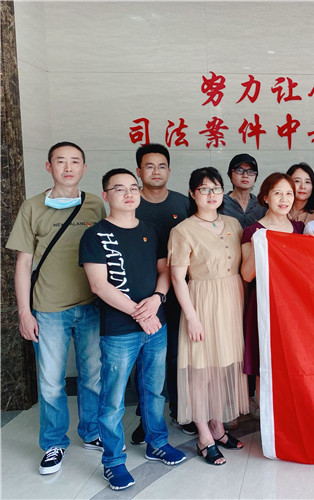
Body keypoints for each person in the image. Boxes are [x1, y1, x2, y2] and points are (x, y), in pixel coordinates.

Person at [79, 169, 186, 490]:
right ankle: (113, 462)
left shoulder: (152, 230)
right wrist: (140, 314)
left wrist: (157, 298)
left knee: (154, 391)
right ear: (106, 195)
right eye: (119, 188)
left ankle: (157, 443)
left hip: (156, 323)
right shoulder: (95, 235)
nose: (128, 194)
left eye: (133, 188)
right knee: (113, 398)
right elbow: (99, 285)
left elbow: (164, 271)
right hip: (119, 330)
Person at [7, 141, 106, 475]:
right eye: (60, 161)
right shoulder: (32, 207)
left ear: (84, 168)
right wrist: (24, 312)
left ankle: (91, 431)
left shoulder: (94, 205)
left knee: (93, 376)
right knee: (51, 381)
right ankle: (53, 443)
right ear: (48, 167)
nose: (68, 167)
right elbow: (23, 264)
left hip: (91, 306)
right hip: (48, 309)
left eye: (75, 161)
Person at [168, 167, 249, 466]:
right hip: (201, 301)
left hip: (232, 300)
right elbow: (178, 278)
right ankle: (204, 435)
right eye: (204, 189)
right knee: (201, 371)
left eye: (216, 188)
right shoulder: (183, 230)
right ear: (193, 193)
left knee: (220, 368)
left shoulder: (233, 223)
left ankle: (218, 427)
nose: (211, 194)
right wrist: (191, 317)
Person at [132, 143, 196, 443]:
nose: (156, 171)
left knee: (175, 355)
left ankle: (178, 410)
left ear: (169, 170)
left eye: (161, 166)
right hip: (140, 296)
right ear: (138, 171)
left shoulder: (183, 204)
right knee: (144, 358)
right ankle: (145, 418)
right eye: (149, 166)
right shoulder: (130, 202)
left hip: (178, 292)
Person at [240, 173, 305, 415]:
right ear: (266, 197)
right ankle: (267, 420)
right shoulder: (253, 231)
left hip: (295, 308)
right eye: (278, 193)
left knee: (293, 361)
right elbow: (247, 275)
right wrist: (261, 243)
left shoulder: (300, 229)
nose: (284, 199)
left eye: (289, 193)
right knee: (264, 363)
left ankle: (290, 416)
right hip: (264, 305)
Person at [220, 153, 266, 229]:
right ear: (230, 174)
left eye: (250, 171)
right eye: (239, 170)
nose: (245, 175)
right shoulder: (221, 203)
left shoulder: (261, 205)